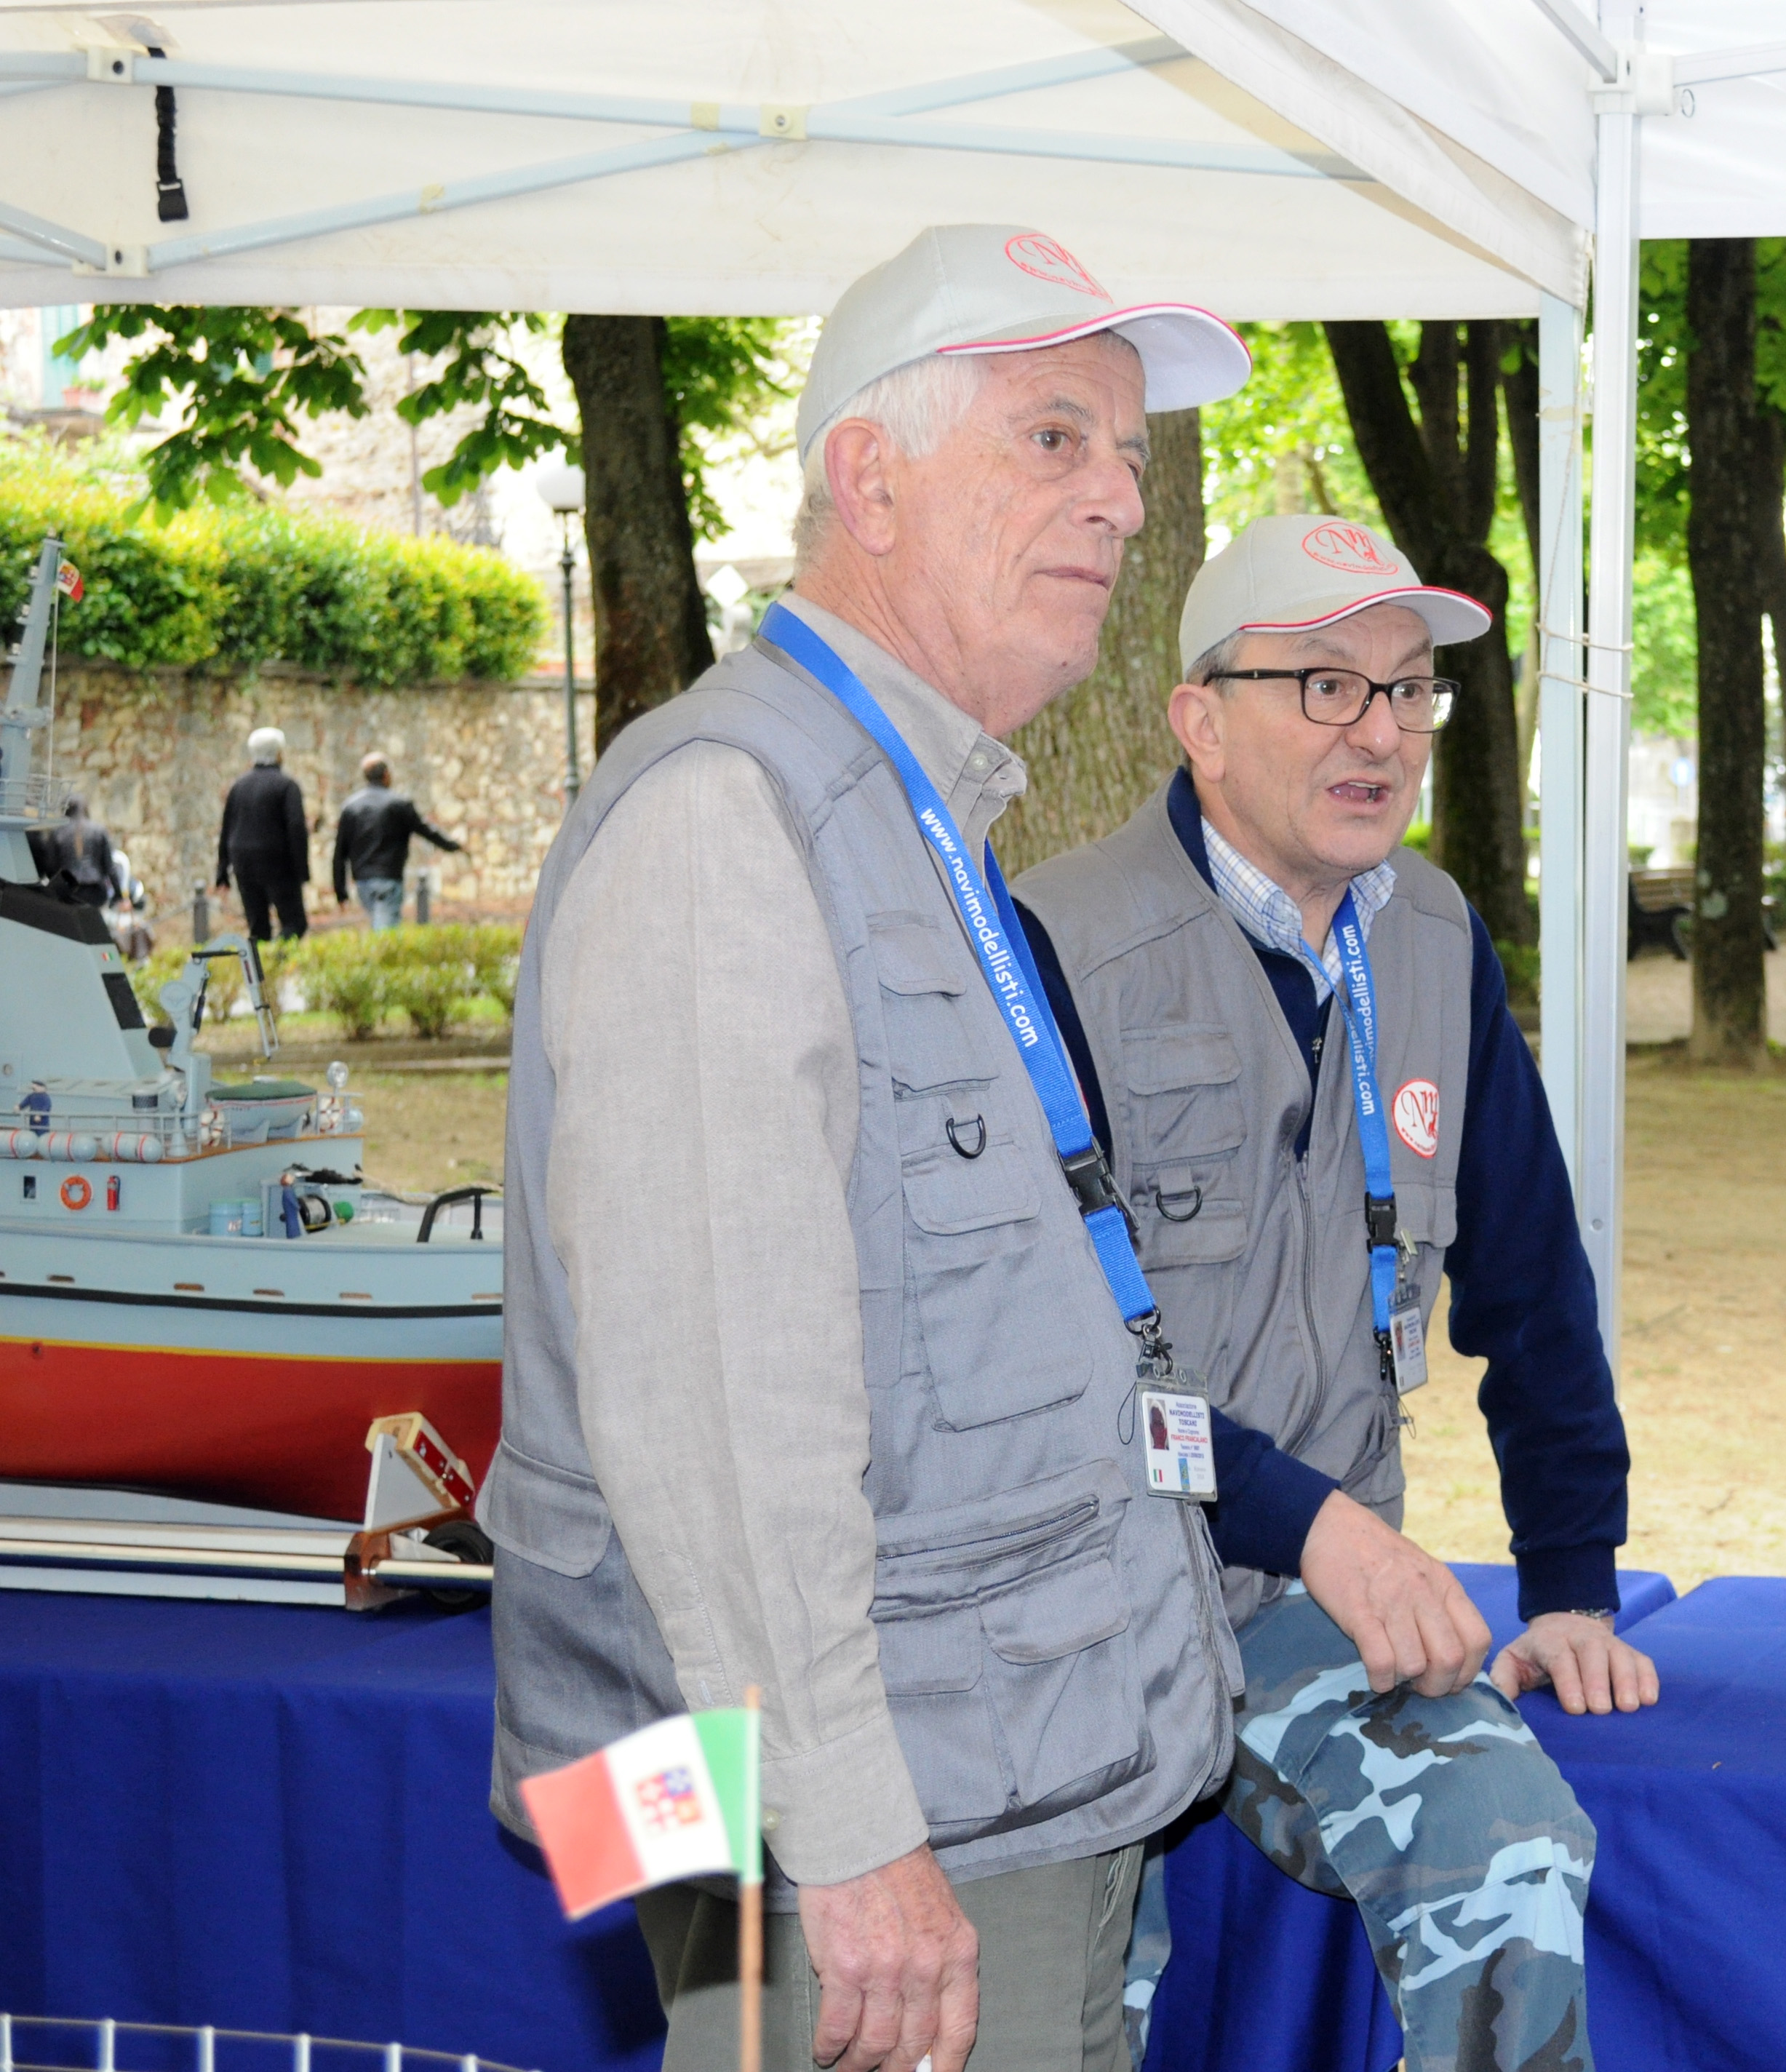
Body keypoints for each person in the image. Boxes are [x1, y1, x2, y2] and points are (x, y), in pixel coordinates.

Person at [479, 223, 1262, 2072]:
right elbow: (707, 1401)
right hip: (863, 1818)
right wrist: (841, 1827)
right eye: (1056, 437)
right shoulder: (728, 813)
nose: (1122, 501)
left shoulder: (895, 813)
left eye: (1130, 455)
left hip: (940, 1762)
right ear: (871, 478)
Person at [1013, 516, 1650, 2072]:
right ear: (1200, 718)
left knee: (1509, 1855)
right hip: (1081, 1594)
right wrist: (1311, 1519)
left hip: (1312, 1605)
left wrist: (1571, 1579)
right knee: (1068, 2004)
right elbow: (1044, 1370)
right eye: (1323, 684)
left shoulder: (1429, 935)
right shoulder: (1053, 946)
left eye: (1409, 689)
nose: (1379, 732)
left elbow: (1530, 1281)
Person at [331, 752, 462, 927]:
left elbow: (339, 854)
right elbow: (427, 831)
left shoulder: (351, 807)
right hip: (388, 878)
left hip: (363, 883)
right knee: (386, 931)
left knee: (382, 923)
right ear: (386, 775)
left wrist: (341, 893)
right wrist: (453, 845)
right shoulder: (399, 804)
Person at [214, 727, 311, 941]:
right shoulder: (287, 786)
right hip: (279, 863)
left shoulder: (238, 787)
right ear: (279, 754)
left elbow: (227, 828)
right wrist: (302, 870)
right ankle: (279, 957)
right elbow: (296, 828)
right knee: (295, 923)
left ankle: (260, 961)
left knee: (258, 927)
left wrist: (222, 869)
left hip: (243, 863)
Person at [41, 793, 127, 908]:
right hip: (96, 892)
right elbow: (109, 867)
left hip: (68, 892)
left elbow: (50, 866)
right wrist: (119, 895)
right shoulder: (99, 831)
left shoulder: (58, 833)